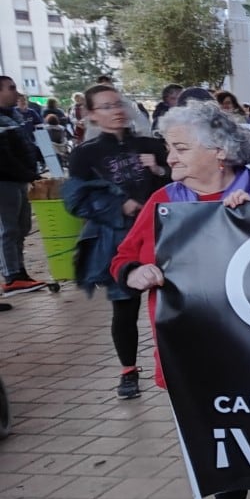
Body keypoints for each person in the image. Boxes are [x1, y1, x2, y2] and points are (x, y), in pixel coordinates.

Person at [110, 101, 250, 499]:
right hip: (192, 347)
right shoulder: (163, 201)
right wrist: (134, 273)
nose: (169, 158)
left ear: (218, 151)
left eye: (179, 148)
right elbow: (124, 256)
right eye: (168, 148)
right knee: (211, 434)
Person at [64, 84, 169, 400]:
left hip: (164, 233)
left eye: (118, 103)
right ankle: (128, 370)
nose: (116, 111)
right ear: (92, 114)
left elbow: (182, 182)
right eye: (107, 106)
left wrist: (159, 168)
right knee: (124, 308)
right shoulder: (85, 154)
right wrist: (116, 207)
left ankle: (177, 364)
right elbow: (76, 200)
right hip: (119, 240)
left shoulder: (153, 144)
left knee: (171, 304)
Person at [0, 75, 45, 299]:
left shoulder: (13, 116)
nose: (16, 92)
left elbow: (25, 146)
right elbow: (4, 157)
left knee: (21, 227)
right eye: (11, 88)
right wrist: (28, 173)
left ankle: (20, 272)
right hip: (5, 182)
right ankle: (11, 276)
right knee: (8, 230)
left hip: (18, 180)